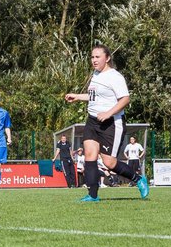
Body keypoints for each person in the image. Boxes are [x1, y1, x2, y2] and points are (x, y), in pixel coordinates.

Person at [63, 45, 149, 202]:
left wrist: (109, 113)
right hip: (92, 121)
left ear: (107, 58)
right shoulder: (95, 74)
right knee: (90, 155)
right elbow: (95, 96)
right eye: (92, 57)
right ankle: (92, 195)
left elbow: (125, 99)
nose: (94, 60)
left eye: (97, 57)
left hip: (111, 123)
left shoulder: (115, 77)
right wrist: (77, 96)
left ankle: (137, 179)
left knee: (109, 162)